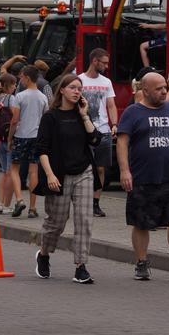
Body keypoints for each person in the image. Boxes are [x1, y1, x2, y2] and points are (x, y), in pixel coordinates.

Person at [117, 72, 169, 282]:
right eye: (159, 89)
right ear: (145, 91)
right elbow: (122, 143)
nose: (164, 91)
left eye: (165, 87)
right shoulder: (132, 112)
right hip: (143, 178)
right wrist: (125, 171)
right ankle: (141, 262)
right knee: (142, 223)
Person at [34, 74, 102, 284]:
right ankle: (44, 254)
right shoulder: (51, 117)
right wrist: (50, 175)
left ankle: (81, 266)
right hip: (59, 175)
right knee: (57, 222)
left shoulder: (82, 114)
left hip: (84, 172)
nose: (76, 92)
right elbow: (42, 150)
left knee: (84, 220)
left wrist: (84, 116)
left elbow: (95, 139)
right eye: (72, 87)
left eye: (79, 89)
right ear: (61, 90)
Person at [78, 48, 117, 217]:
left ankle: (95, 203)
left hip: (103, 130)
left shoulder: (106, 82)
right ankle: (81, 201)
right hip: (83, 130)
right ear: (95, 61)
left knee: (100, 168)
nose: (107, 66)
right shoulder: (79, 80)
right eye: (104, 62)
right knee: (82, 167)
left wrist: (114, 124)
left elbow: (111, 105)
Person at [8, 65, 49, 218]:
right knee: (34, 171)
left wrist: (10, 137)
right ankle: (32, 207)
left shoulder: (20, 96)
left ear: (27, 77)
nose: (20, 80)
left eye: (21, 77)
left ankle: (19, 199)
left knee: (14, 169)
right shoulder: (43, 97)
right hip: (36, 137)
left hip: (21, 135)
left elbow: (14, 120)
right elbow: (45, 119)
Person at [0, 73, 17, 214]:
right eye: (13, 84)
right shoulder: (10, 99)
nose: (15, 87)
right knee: (11, 173)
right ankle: (7, 205)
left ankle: (0, 203)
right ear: (7, 85)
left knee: (4, 173)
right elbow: (14, 118)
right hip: (10, 139)